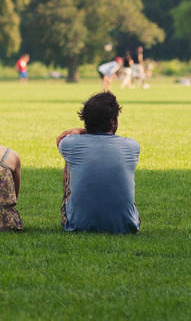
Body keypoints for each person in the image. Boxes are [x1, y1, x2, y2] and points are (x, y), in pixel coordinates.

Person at [56, 92, 140, 234]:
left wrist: (82, 131)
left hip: (78, 225)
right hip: (126, 226)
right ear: (113, 121)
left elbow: (61, 139)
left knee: (70, 160)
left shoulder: (70, 144)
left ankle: (77, 213)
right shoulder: (132, 146)